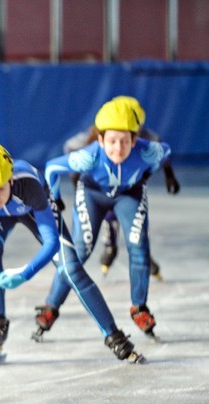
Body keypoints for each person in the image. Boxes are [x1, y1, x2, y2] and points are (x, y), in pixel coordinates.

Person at [0, 143, 145, 364]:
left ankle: (114, 335)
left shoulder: (29, 186)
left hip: (33, 210)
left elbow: (52, 243)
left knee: (71, 269)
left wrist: (25, 273)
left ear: (10, 179)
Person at [35, 99, 172, 340]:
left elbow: (165, 152)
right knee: (78, 251)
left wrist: (144, 175)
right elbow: (51, 168)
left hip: (129, 194)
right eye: (111, 142)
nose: (118, 149)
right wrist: (55, 198)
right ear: (100, 140)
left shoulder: (148, 150)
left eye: (125, 141)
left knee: (139, 248)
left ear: (135, 139)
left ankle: (139, 308)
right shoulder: (88, 157)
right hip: (93, 195)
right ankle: (51, 306)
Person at [61, 95, 179, 280]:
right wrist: (78, 180)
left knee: (135, 229)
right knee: (108, 216)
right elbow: (69, 149)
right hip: (100, 187)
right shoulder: (94, 137)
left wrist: (167, 174)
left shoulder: (145, 138)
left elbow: (162, 153)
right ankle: (111, 247)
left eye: (134, 132)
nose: (125, 142)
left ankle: (135, 255)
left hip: (127, 188)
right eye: (114, 138)